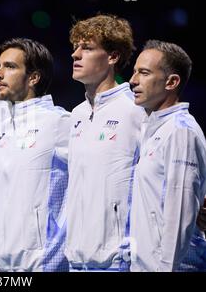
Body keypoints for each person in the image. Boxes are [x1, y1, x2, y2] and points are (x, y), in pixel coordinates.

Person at [65, 14, 145, 271]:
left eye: (86, 48)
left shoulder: (135, 110)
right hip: (76, 259)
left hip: (116, 260)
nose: (75, 55)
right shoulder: (76, 114)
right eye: (75, 47)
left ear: (113, 57)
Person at [0, 38, 71, 271]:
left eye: (9, 66)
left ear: (33, 78)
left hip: (43, 263)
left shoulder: (59, 121)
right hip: (5, 264)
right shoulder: (4, 126)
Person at [129, 40, 206, 271]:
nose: (133, 81)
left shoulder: (180, 131)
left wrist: (166, 268)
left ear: (172, 82)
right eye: (134, 72)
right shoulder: (152, 128)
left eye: (143, 73)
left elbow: (180, 213)